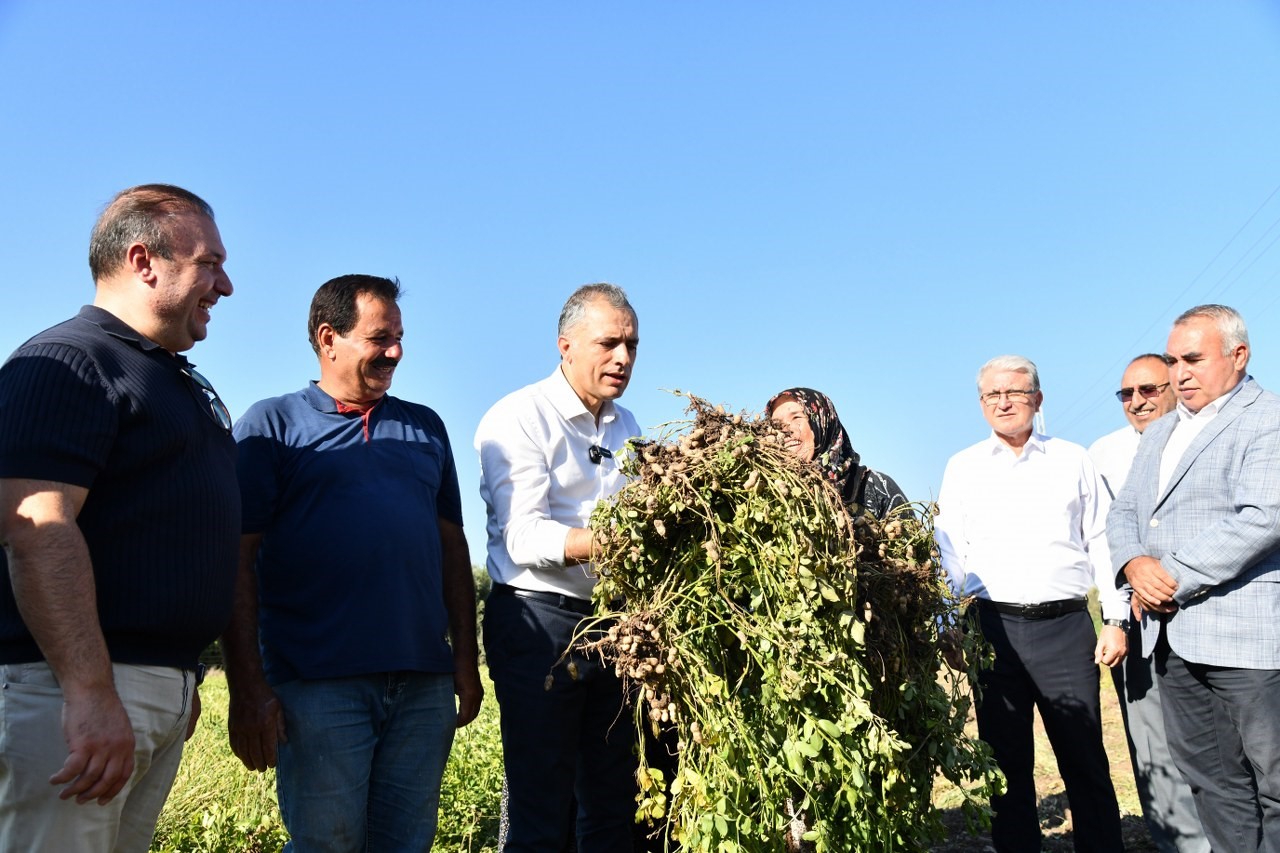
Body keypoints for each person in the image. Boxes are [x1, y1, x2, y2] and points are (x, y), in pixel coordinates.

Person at [0, 184, 238, 852]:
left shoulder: (171, 378)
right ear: (143, 261)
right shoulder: (71, 363)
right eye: (209, 263)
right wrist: (91, 690)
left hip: (147, 686)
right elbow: (36, 527)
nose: (225, 285)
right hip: (74, 691)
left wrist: (174, 673)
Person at [222, 274, 481, 852]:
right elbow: (236, 560)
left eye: (400, 337)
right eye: (379, 337)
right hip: (318, 684)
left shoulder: (426, 427)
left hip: (422, 684)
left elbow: (451, 548)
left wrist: (465, 657)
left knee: (405, 844)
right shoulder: (271, 427)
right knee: (327, 845)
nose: (395, 351)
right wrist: (248, 686)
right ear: (328, 338)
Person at [934, 354, 1128, 853]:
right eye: (992, 395)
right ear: (981, 404)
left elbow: (1102, 540)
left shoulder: (1072, 459)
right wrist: (948, 626)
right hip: (991, 628)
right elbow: (947, 552)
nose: (1003, 402)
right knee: (1006, 764)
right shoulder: (963, 467)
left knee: (1084, 757)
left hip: (1065, 628)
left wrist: (1115, 617)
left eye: (1015, 393)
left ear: (1037, 400)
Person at [1107, 304, 1280, 853]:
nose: (1180, 372)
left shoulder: (1267, 419)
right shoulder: (1161, 432)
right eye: (1175, 360)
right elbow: (1123, 515)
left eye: (1194, 359)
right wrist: (1134, 565)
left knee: (1274, 781)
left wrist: (1169, 576)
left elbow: (1263, 516)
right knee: (1213, 782)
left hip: (1246, 638)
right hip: (1170, 638)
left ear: (1238, 355)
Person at [476, 283, 641, 853]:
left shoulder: (628, 429)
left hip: (614, 628)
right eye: (609, 343)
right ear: (565, 345)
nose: (622, 358)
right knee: (541, 803)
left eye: (632, 346)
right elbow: (522, 535)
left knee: (611, 798)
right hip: (538, 623)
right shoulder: (520, 417)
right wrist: (615, 541)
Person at [1090, 355, 1207, 853]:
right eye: (1126, 394)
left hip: (1208, 611)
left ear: (1175, 387)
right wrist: (1119, 612)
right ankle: (1178, 843)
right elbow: (1105, 540)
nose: (1137, 402)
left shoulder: (1208, 437)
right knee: (1152, 740)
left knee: (1218, 742)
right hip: (1134, 617)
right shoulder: (1104, 454)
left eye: (1148, 390)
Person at [765, 387, 907, 519]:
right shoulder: (766, 490)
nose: (785, 430)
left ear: (822, 423)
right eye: (776, 424)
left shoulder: (875, 487)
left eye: (796, 417)